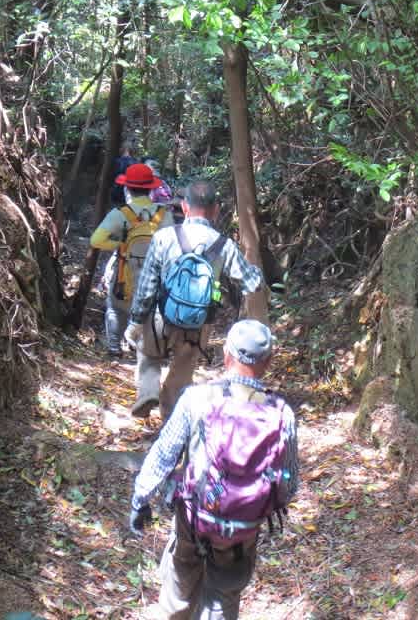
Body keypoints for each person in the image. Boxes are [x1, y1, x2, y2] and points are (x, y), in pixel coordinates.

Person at [129, 320, 299, 620]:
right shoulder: (282, 414)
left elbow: (164, 454)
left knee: (177, 593)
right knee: (223, 599)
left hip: (194, 518)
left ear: (226, 354)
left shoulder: (198, 399)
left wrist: (140, 500)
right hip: (242, 531)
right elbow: (290, 484)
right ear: (269, 362)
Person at [123, 181, 264, 419]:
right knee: (181, 375)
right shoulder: (224, 245)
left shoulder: (164, 237)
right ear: (216, 209)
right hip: (198, 325)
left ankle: (148, 391)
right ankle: (169, 423)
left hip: (161, 317)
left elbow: (147, 285)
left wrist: (136, 322)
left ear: (185, 207)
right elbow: (252, 283)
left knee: (148, 355)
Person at [90, 163, 174, 357]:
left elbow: (96, 240)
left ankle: (113, 347)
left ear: (127, 188)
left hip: (124, 271)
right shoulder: (164, 214)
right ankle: (143, 348)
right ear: (151, 188)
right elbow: (171, 245)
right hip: (154, 275)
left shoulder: (120, 214)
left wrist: (120, 244)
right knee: (151, 310)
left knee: (114, 307)